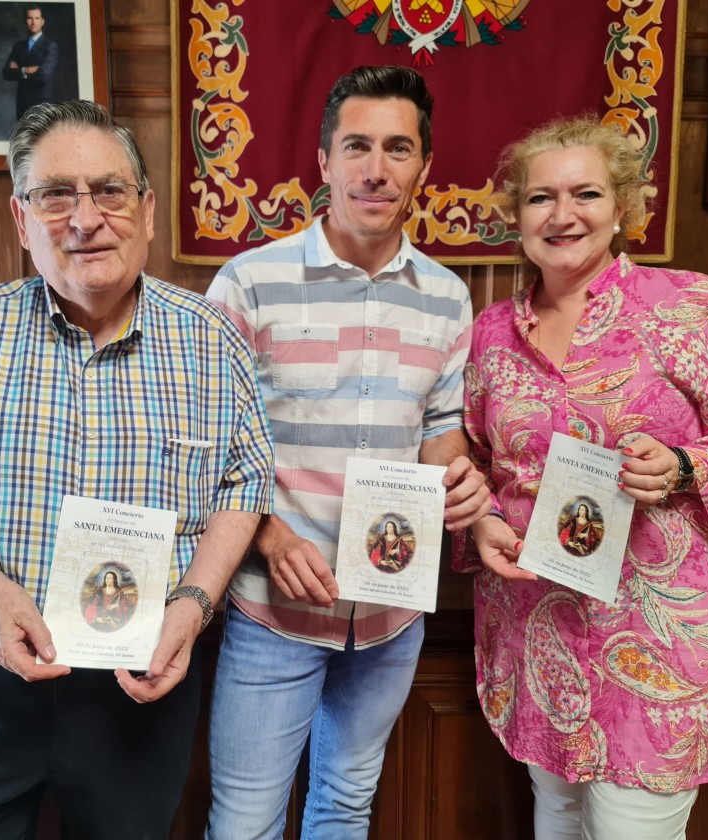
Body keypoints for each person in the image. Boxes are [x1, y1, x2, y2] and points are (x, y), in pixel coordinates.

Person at [0, 99, 275, 839]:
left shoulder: (214, 343)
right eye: (56, 195)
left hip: (139, 681)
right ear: (22, 220)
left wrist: (193, 601)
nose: (85, 219)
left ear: (147, 210)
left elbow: (243, 483)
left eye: (109, 191)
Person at [460, 115, 708, 840]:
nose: (561, 215)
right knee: (554, 821)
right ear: (514, 215)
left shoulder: (689, 306)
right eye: (538, 198)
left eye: (584, 193)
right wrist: (484, 515)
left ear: (623, 206)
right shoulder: (492, 331)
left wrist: (686, 466)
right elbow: (474, 458)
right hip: (533, 627)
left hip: (656, 639)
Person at [204, 65, 491, 839]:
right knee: (245, 824)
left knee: (344, 808)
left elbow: (440, 429)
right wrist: (267, 534)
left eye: (398, 149)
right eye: (357, 146)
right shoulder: (248, 283)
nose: (376, 168)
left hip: (391, 616)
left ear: (423, 169)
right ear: (324, 161)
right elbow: (205, 447)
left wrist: (456, 479)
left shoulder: (446, 295)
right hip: (274, 609)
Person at [2, 5, 59, 121]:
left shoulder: (50, 46)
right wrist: (27, 70)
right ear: (25, 21)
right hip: (23, 105)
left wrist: (18, 70)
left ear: (42, 21)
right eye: (30, 18)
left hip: (43, 106)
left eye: (37, 18)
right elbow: (6, 73)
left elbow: (43, 76)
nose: (33, 22)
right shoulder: (18, 47)